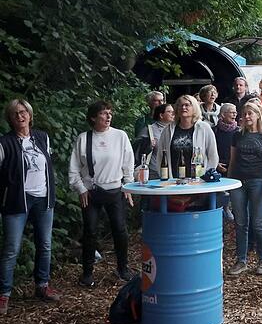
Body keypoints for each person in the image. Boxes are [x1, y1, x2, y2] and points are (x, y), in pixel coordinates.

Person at [1, 99, 60, 313]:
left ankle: (42, 286)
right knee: (11, 249)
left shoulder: (42, 137)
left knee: (44, 245)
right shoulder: (5, 142)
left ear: (30, 115)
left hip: (43, 198)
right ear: (10, 118)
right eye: (15, 113)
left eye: (23, 112)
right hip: (17, 201)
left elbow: (48, 166)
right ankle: (4, 294)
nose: (20, 116)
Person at [69, 101, 135, 286]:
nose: (108, 116)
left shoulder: (120, 136)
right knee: (90, 231)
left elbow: (128, 163)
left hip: (115, 190)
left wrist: (128, 187)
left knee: (120, 230)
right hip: (91, 191)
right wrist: (80, 188)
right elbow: (73, 169)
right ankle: (87, 273)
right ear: (93, 117)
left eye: (109, 113)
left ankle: (123, 268)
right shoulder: (84, 138)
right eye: (104, 113)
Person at [225, 102, 262, 276]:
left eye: (250, 113)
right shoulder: (237, 135)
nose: (247, 116)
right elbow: (232, 161)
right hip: (238, 182)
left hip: (258, 181)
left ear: (257, 115)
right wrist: (229, 183)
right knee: (240, 223)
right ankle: (241, 260)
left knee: (258, 222)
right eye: (244, 114)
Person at [136, 103, 174, 181]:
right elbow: (138, 149)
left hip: (172, 170)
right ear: (161, 115)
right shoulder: (149, 130)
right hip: (154, 171)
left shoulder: (175, 129)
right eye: (169, 111)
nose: (173, 113)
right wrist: (148, 145)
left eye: (173, 111)